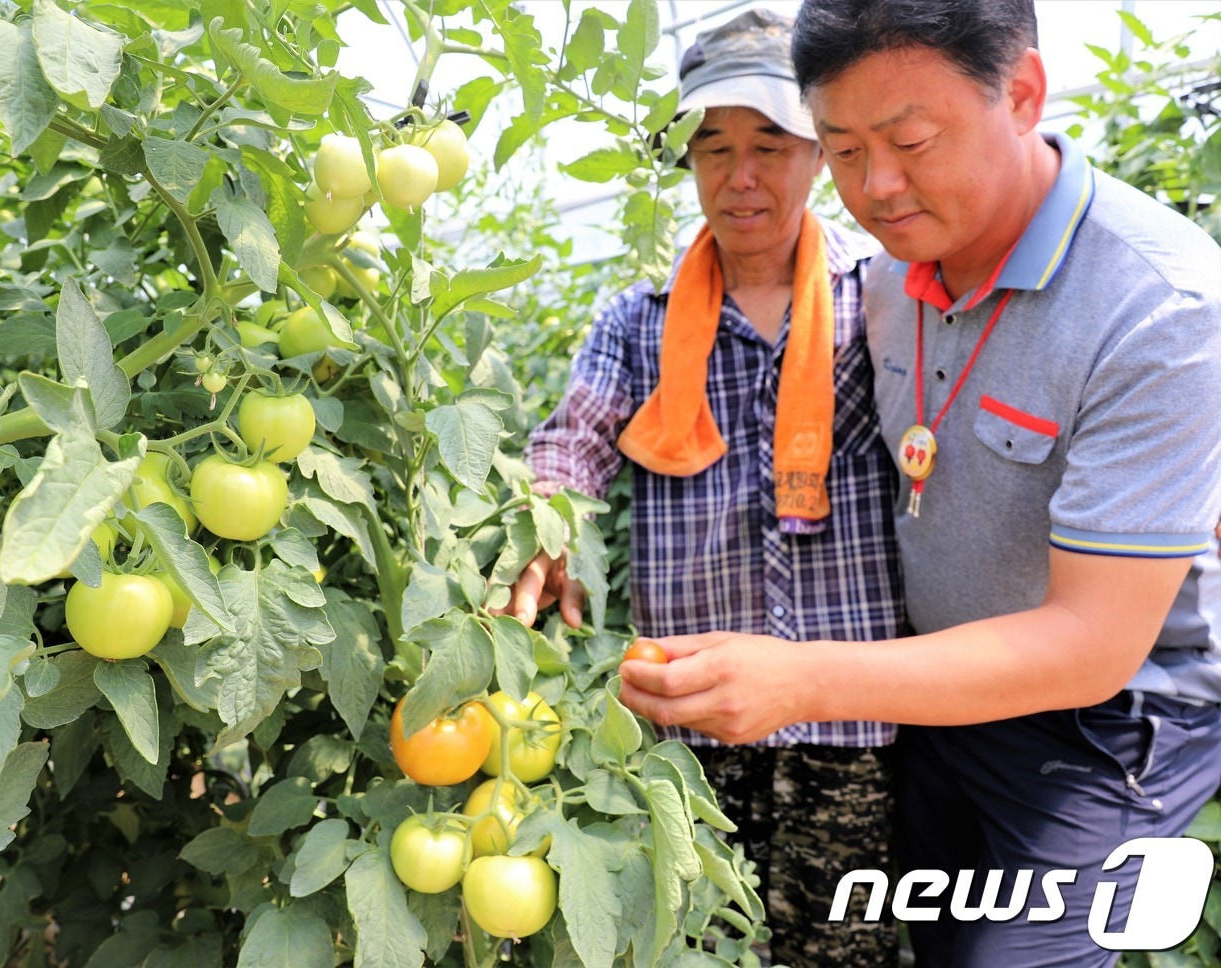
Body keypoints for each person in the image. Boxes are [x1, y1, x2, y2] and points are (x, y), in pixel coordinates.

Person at [617, 1, 1221, 966]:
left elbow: (1093, 645)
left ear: (1022, 93)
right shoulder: (893, 279)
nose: (876, 189)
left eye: (910, 142)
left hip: (1105, 727)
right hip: (938, 691)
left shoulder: (1161, 309)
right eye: (846, 150)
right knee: (930, 943)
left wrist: (802, 678)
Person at [504, 10, 906, 966]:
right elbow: (575, 441)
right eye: (713, 148)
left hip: (852, 716)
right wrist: (548, 523)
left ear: (817, 152)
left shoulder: (883, 298)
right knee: (693, 939)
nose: (740, 177)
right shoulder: (637, 324)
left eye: (770, 145)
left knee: (844, 947)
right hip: (686, 708)